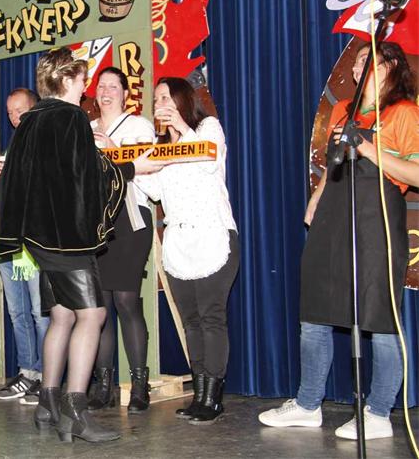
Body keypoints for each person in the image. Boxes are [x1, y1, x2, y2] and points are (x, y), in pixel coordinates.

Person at [0, 48, 169, 442]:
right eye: (81, 80)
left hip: (39, 237)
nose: (85, 88)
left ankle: (47, 403)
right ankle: (75, 410)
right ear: (65, 80)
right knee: (92, 315)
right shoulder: (70, 116)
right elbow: (86, 177)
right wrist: (133, 168)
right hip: (65, 238)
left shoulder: (31, 120)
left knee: (61, 316)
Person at [259, 42, 419, 440]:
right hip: (333, 216)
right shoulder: (344, 110)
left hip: (376, 219)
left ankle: (378, 413)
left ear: (390, 66)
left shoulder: (403, 112)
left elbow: (415, 175)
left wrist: (367, 147)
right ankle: (308, 405)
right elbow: (334, 166)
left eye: (369, 59)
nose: (359, 65)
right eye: (358, 60)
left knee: (380, 318)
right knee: (314, 312)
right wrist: (316, 199)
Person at [136, 77, 239, 424]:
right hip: (178, 240)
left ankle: (214, 397)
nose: (160, 105)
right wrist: (131, 162)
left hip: (211, 234)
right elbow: (153, 190)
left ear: (182, 100)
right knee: (191, 321)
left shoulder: (207, 128)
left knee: (211, 317)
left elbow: (209, 161)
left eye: (166, 98)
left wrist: (181, 127)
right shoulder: (161, 145)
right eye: (156, 100)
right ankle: (199, 394)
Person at [88, 67, 154, 413]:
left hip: (129, 217)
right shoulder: (85, 128)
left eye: (113, 86)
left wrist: (111, 149)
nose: (106, 92)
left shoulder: (139, 126)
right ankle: (104, 386)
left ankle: (140, 385)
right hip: (95, 223)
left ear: (126, 93)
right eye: (101, 86)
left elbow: (147, 170)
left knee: (127, 301)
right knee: (100, 307)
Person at [0, 88, 51, 404]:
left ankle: (47, 375)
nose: (15, 118)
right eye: (10, 113)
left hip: (33, 239)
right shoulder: (12, 144)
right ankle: (27, 371)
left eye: (20, 111)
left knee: (40, 312)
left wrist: (12, 172)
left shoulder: (44, 141)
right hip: (7, 237)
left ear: (35, 109)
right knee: (17, 312)